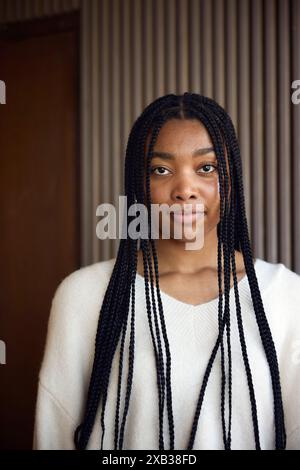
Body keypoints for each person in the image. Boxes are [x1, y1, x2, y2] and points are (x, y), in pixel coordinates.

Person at [33, 93, 300, 450]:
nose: (185, 190)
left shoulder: (285, 296)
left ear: (231, 179)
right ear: (138, 184)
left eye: (206, 168)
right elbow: (55, 435)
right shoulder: (84, 295)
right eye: (162, 169)